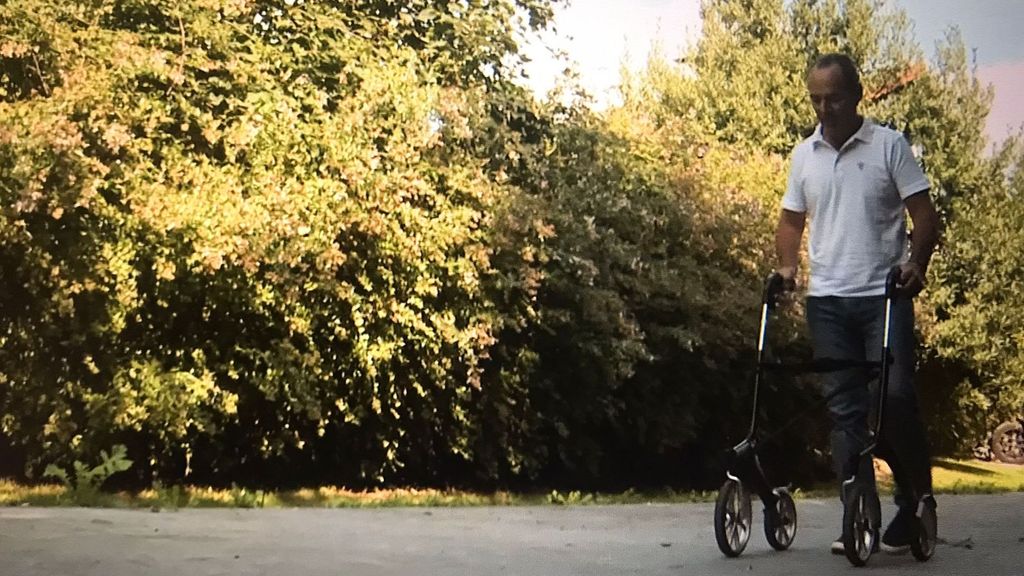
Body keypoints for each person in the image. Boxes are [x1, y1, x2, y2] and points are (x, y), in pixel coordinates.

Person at [775, 53, 940, 555]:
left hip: (882, 298)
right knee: (845, 412)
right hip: (826, 302)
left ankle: (915, 497)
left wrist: (917, 263)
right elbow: (790, 222)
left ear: (857, 96)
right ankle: (857, 515)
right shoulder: (804, 155)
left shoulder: (889, 146)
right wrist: (786, 266)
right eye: (816, 99)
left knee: (890, 400)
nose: (824, 108)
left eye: (834, 98)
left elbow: (925, 216)